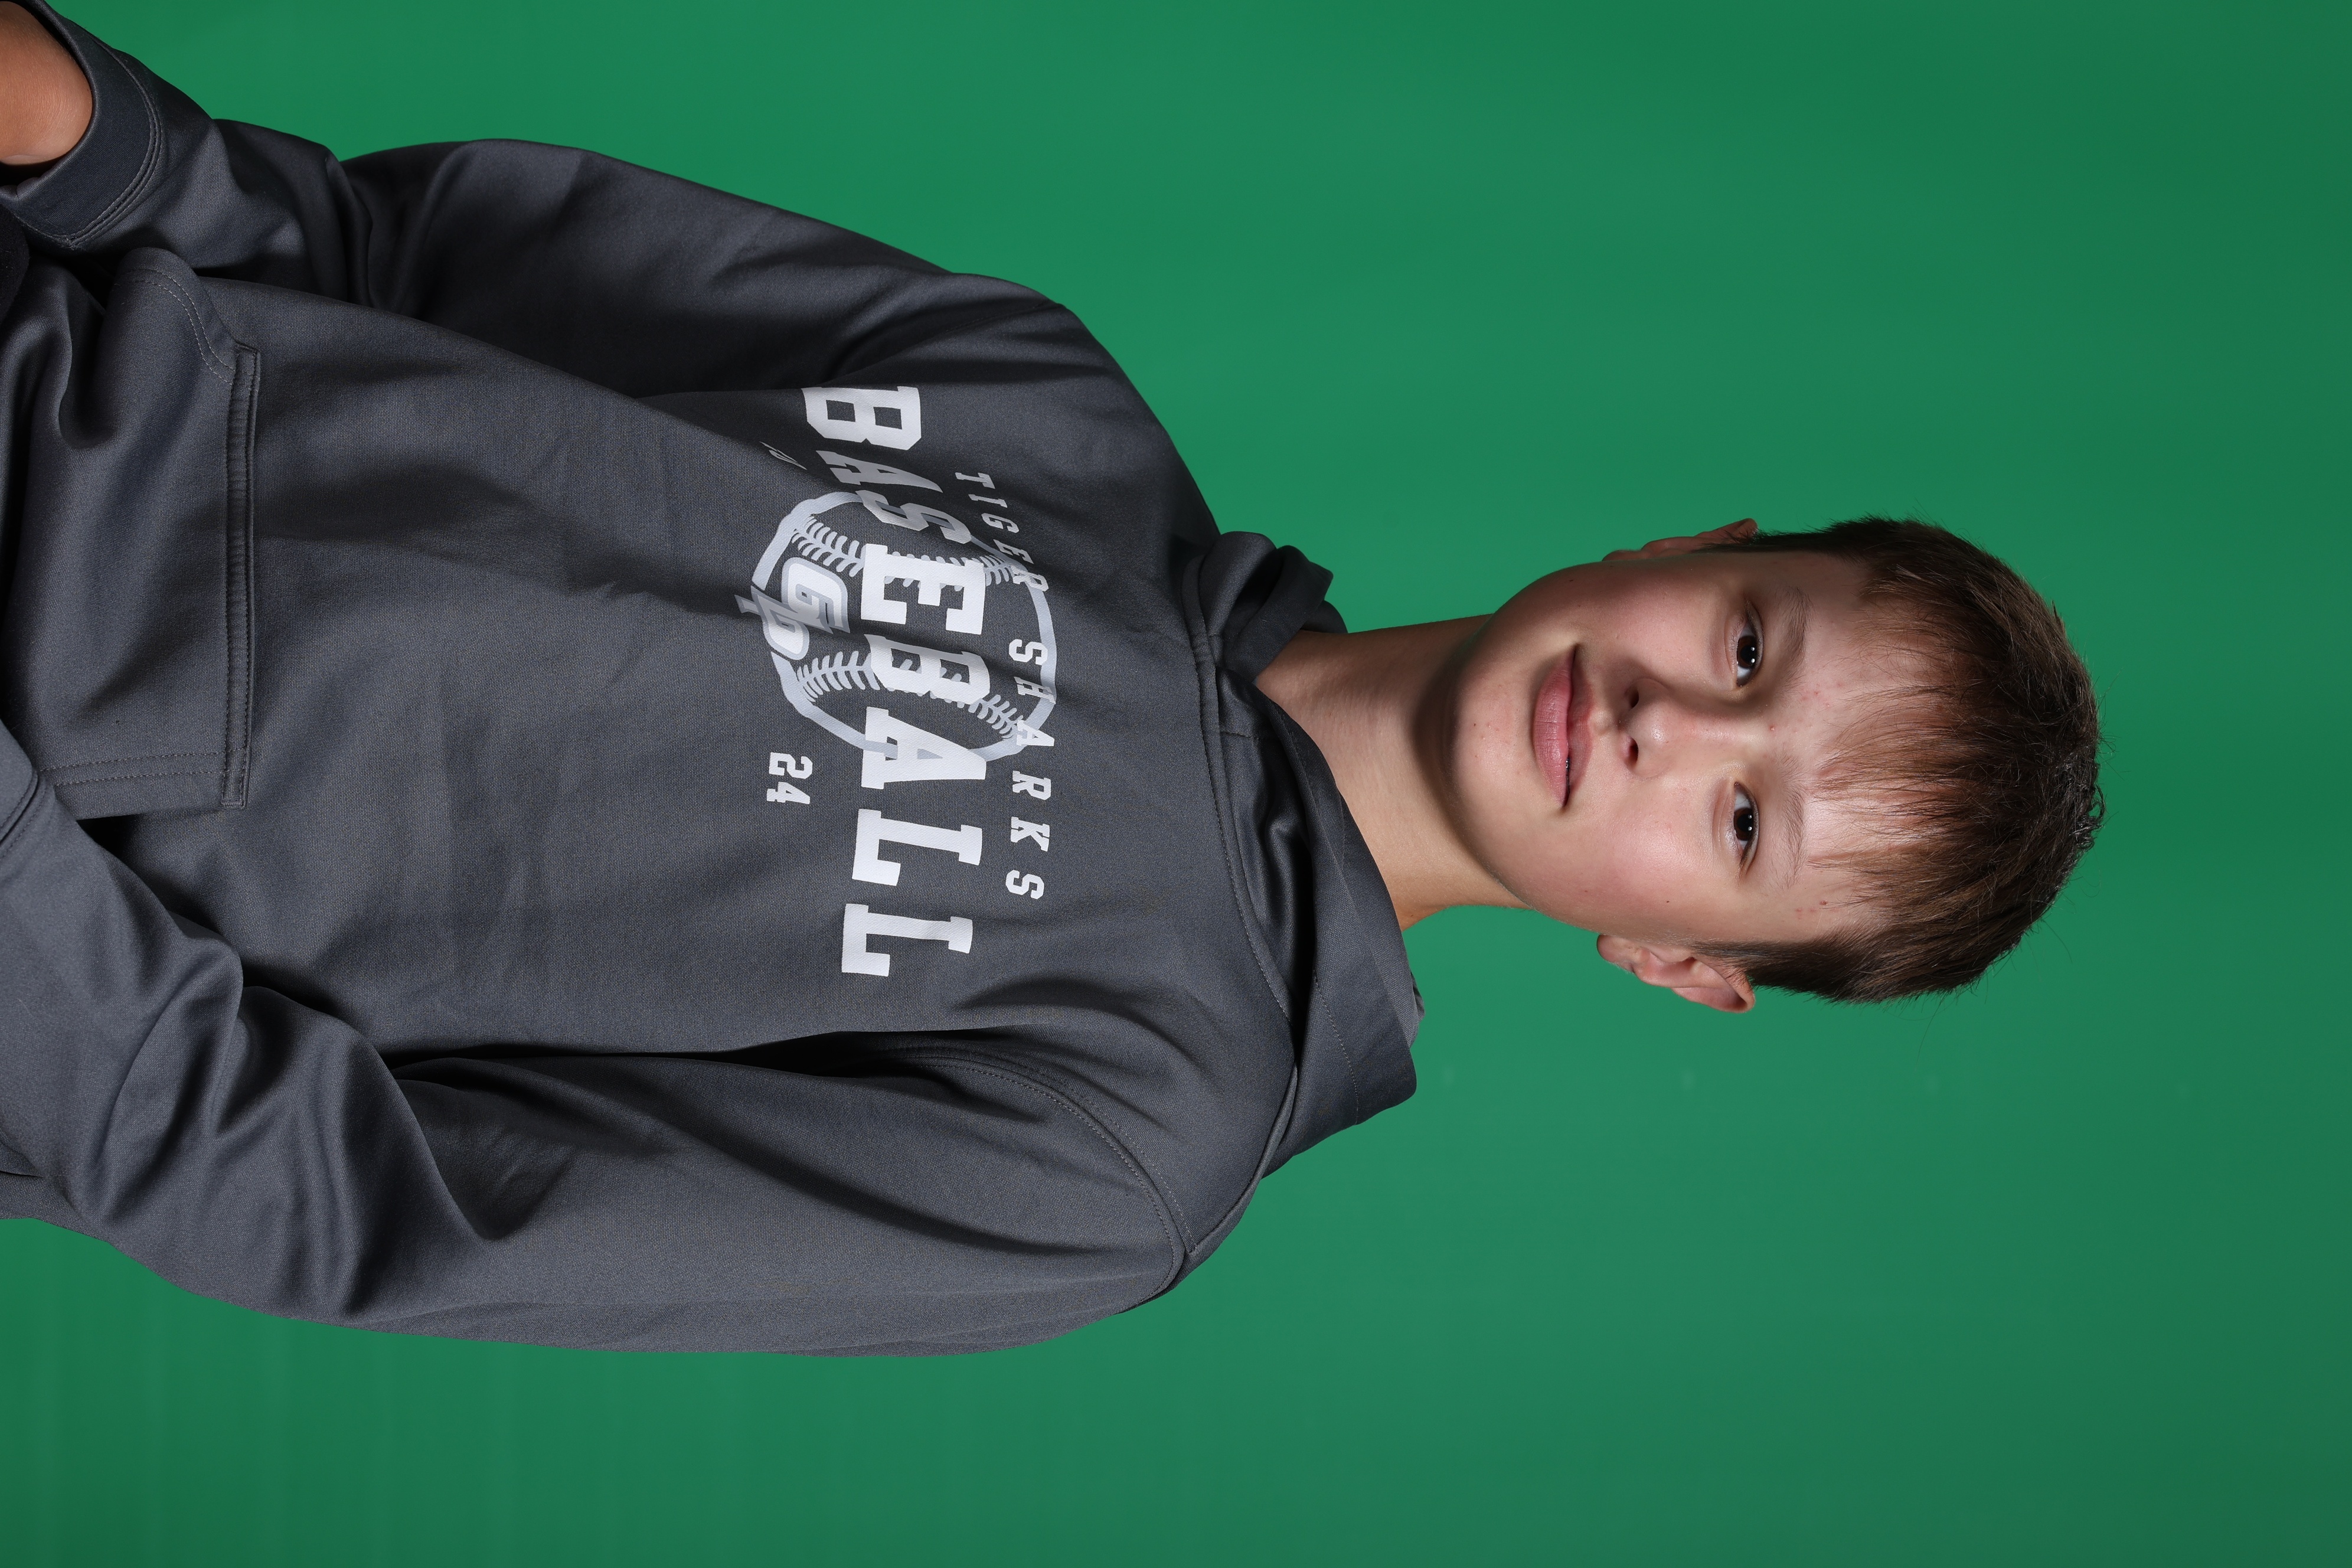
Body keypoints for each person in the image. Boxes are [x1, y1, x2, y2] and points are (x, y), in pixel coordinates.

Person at [0, 2, 2099, 1353]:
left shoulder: (1130, 1142)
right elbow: (382, 252)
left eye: (1742, 819)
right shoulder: (1044, 400)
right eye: (1748, 649)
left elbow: (355, 1196)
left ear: (1682, 962)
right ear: (1690, 548)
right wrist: (68, 119)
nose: (1670, 728)